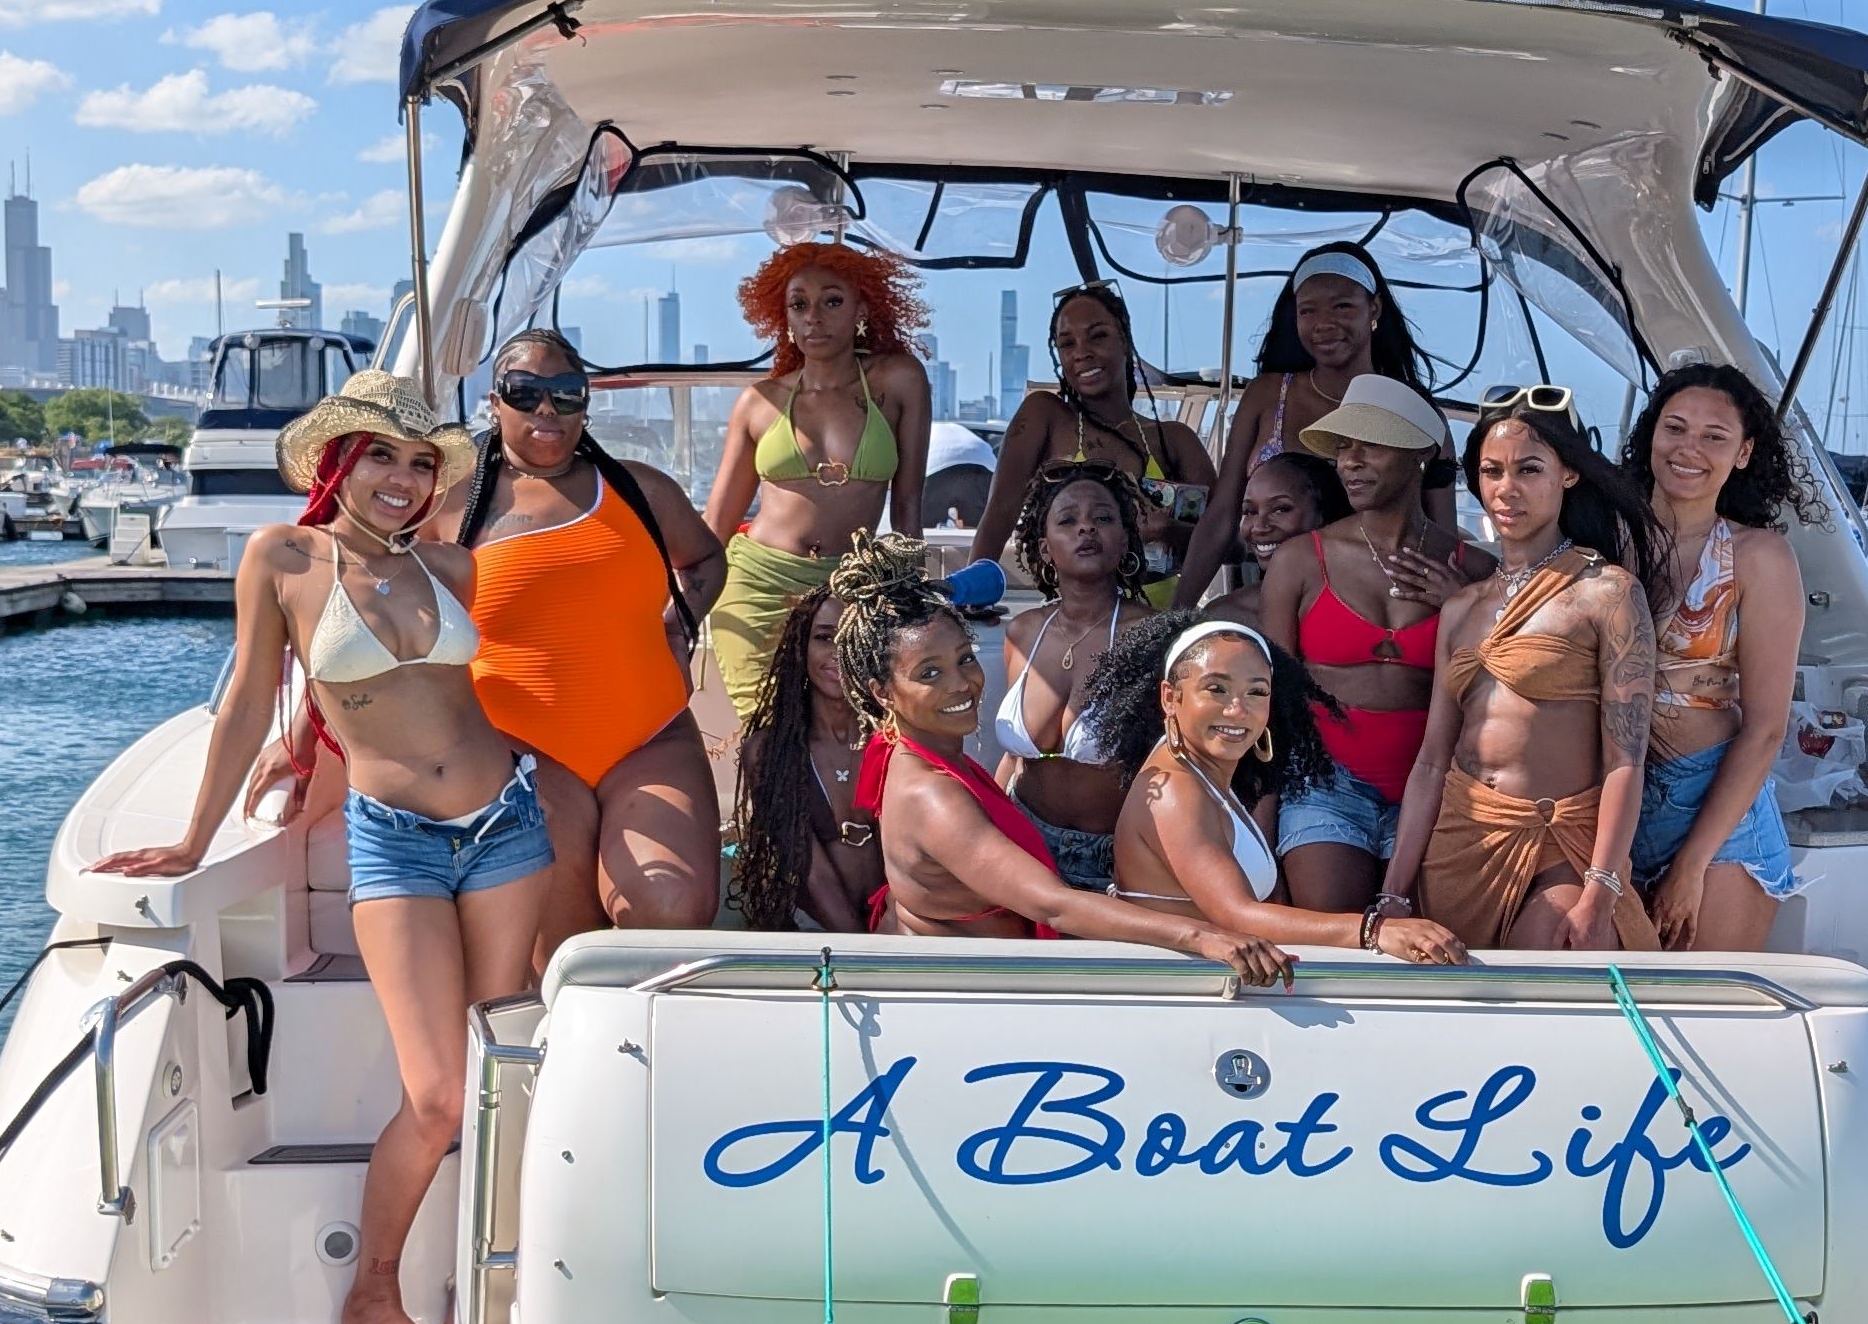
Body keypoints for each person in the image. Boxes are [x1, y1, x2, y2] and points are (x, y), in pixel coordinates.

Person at [93, 370, 548, 1324]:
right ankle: (370, 1289)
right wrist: (193, 841)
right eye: (381, 454)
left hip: (507, 826)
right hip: (396, 840)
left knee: (501, 1074)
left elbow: (477, 683)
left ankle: (490, 1288)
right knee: (437, 1092)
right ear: (338, 461)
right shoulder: (283, 557)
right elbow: (251, 697)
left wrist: (312, 735)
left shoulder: (451, 568)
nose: (402, 477)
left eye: (421, 462)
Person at [825, 541, 1268, 968]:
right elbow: (1052, 905)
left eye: (965, 659)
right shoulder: (930, 794)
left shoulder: (917, 754)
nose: (960, 684)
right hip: (979, 1007)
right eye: (930, 673)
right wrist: (1201, 935)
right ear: (882, 692)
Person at [451, 325, 726, 957]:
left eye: (566, 392)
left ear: (585, 403)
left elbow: (707, 558)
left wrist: (678, 624)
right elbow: (374, 615)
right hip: (523, 753)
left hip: (648, 738)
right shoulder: (451, 506)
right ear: (494, 401)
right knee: (563, 950)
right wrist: (310, 740)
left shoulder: (640, 490)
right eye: (524, 392)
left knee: (671, 910)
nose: (546, 409)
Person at [1379, 395, 1661, 953]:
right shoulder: (1461, 608)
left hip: (1560, 847)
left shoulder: (1608, 592)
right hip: (1458, 845)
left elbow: (1625, 760)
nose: (1507, 488)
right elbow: (1432, 760)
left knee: (1542, 1001)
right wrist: (1392, 892)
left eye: (1529, 469)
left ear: (1569, 475)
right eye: (1492, 471)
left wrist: (1601, 890)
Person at [1246, 372, 1485, 915]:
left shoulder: (1475, 573)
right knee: (1334, 946)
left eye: (1369, 445)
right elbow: (1270, 708)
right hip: (1325, 784)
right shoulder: (1301, 561)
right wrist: (1261, 833)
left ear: (1421, 451)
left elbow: (1500, 701)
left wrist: (1469, 607)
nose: (1349, 461)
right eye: (1342, 448)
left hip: (1441, 792)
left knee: (1427, 961)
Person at [1109, 617, 1468, 964]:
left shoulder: (1199, 773)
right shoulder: (1175, 789)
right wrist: (1377, 931)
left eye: (1256, 692)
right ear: (1170, 697)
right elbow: (1238, 916)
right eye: (1216, 689)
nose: (1237, 709)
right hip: (1177, 996)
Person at [703, 238, 933, 717]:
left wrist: (912, 605)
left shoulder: (900, 381)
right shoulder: (759, 401)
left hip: (851, 585)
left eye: (832, 301)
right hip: (757, 584)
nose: (814, 317)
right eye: (799, 305)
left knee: (852, 730)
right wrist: (678, 608)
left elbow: (908, 503)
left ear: (861, 309)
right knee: (765, 736)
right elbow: (716, 524)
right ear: (782, 317)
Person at [1623, 360, 1806, 949]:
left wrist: (1690, 867)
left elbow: (1765, 730)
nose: (1689, 448)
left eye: (1715, 437)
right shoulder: (1605, 536)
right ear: (1651, 433)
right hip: (1609, 799)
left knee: (1704, 1018)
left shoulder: (1759, 558)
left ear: (1744, 453)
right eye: (1675, 428)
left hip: (1716, 812)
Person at [1176, 240, 1451, 597]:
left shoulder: (1414, 409)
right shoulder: (1267, 395)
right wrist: (1176, 616)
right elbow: (1222, 514)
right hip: (1272, 594)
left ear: (1374, 308)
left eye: (1342, 306)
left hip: (1378, 599)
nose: (1324, 323)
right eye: (1308, 311)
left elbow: (1440, 530)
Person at [972, 284, 1215, 601]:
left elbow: (1230, 542)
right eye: (1067, 344)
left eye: (1097, 336)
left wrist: (1169, 532)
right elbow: (999, 513)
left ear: (1124, 341)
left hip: (1161, 618)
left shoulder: (1175, 440)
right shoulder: (1046, 416)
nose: (1081, 352)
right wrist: (971, 599)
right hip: (1076, 623)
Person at [986, 463, 1147, 891]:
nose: (1086, 529)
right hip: (1023, 843)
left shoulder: (1154, 635)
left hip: (1116, 857)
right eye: (1068, 520)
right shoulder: (1023, 632)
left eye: (1103, 518)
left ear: (1125, 539)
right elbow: (1014, 758)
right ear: (1044, 548)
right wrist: (988, 828)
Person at [729, 580, 878, 930]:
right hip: (813, 928)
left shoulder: (893, 739)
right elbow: (808, 869)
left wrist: (891, 934)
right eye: (825, 637)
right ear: (801, 648)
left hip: (897, 924)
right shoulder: (769, 752)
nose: (838, 652)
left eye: (852, 637)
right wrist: (862, 947)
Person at [1231, 443, 1329, 591]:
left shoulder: (1364, 600)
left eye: (1281, 509)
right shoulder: (1226, 612)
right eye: (1250, 512)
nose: (1259, 527)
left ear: (1322, 513)